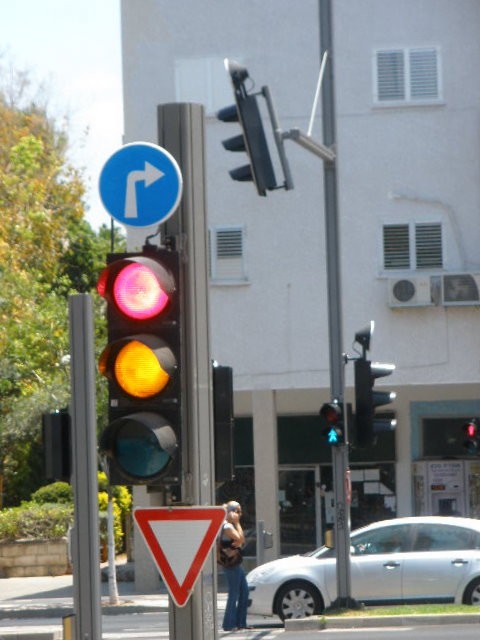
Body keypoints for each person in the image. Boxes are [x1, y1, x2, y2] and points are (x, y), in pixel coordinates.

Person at [220, 500, 250, 632]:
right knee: (234, 593)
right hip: (231, 564)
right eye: (237, 511)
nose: (240, 514)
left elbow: (241, 540)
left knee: (244, 591)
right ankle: (229, 624)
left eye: (240, 511)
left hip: (236, 562)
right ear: (230, 512)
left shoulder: (229, 526)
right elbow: (241, 539)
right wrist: (237, 523)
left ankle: (241, 623)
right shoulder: (227, 526)